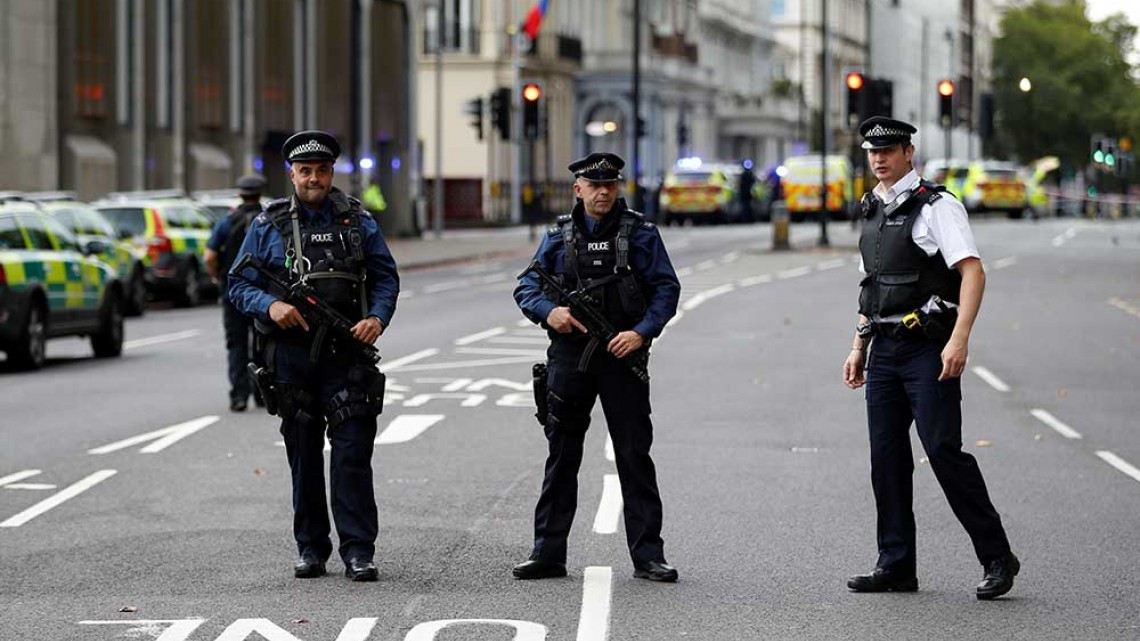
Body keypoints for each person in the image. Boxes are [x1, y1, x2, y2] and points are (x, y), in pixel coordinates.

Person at [842, 117, 1019, 599]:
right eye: (872, 152)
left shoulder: (937, 206)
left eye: (888, 150)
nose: (879, 159)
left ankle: (997, 556)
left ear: (908, 153)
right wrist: (858, 345)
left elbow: (973, 273)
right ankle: (896, 564)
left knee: (942, 450)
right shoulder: (872, 209)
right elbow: (871, 288)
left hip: (927, 349)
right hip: (883, 349)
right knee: (887, 458)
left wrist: (959, 339)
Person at [228, 130, 400, 582]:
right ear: (292, 174)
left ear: (331, 172)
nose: (313, 179)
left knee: (352, 455)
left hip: (347, 355)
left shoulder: (358, 221)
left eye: (321, 171)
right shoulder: (268, 224)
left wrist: (377, 318)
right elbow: (238, 283)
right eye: (305, 171)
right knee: (303, 457)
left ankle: (359, 551)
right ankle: (310, 548)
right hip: (291, 357)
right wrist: (270, 306)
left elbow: (385, 277)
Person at [512, 152, 682, 582]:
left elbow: (666, 288)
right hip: (571, 356)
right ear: (578, 189)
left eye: (609, 184)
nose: (603, 192)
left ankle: (649, 556)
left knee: (633, 455)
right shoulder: (558, 236)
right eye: (594, 185)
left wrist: (641, 332)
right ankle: (547, 553)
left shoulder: (640, 233)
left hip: (623, 355)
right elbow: (527, 286)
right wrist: (550, 312)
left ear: (617, 187)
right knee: (562, 455)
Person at [205, 174, 267, 412]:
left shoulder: (228, 222)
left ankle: (239, 396)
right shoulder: (269, 220)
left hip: (234, 292)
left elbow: (209, 256)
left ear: (240, 194)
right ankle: (262, 393)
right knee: (262, 342)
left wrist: (218, 276)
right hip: (263, 293)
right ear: (260, 194)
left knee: (236, 344)